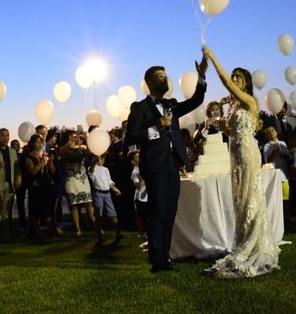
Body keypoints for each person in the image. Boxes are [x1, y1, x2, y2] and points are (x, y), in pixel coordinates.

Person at [126, 54, 208, 273]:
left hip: (173, 165)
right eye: (160, 75)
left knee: (170, 212)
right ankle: (158, 260)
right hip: (154, 166)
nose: (165, 78)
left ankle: (164, 256)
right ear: (150, 82)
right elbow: (130, 138)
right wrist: (156, 129)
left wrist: (201, 76)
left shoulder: (170, 104)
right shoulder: (140, 108)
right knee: (159, 211)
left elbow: (195, 101)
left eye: (165, 75)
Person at [203, 46, 280, 278]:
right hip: (234, 153)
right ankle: (244, 242)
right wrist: (219, 122)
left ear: (245, 82)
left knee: (250, 198)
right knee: (240, 200)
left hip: (247, 153)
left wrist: (213, 57)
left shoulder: (249, 100)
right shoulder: (235, 105)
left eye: (238, 77)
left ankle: (254, 245)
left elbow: (225, 81)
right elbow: (231, 130)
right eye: (233, 75)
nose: (234, 79)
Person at [59, 130, 95, 236]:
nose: (74, 137)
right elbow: (62, 152)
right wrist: (70, 142)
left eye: (75, 135)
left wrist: (86, 138)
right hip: (70, 178)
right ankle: (78, 228)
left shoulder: (82, 147)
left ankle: (94, 225)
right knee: (73, 204)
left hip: (82, 177)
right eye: (71, 135)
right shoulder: (63, 148)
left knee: (88, 202)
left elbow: (89, 151)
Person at [25, 134, 56, 241]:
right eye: (37, 142)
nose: (40, 144)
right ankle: (37, 233)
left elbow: (52, 171)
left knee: (48, 210)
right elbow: (32, 171)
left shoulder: (45, 155)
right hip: (35, 186)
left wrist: (50, 161)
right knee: (35, 211)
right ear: (32, 143)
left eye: (41, 142)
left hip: (46, 185)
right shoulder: (29, 157)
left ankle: (51, 232)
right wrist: (41, 162)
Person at [89, 153, 123, 243]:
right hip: (98, 194)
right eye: (100, 159)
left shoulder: (106, 169)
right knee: (98, 216)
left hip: (107, 193)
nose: (102, 160)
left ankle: (118, 233)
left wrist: (115, 189)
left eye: (103, 159)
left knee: (113, 213)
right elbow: (91, 170)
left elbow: (109, 182)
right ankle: (99, 237)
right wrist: (95, 161)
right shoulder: (92, 168)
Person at [129, 147, 148, 241]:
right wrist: (143, 175)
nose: (139, 158)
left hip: (148, 196)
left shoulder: (145, 167)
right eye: (137, 157)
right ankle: (141, 233)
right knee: (141, 217)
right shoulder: (134, 173)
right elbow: (139, 186)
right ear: (133, 161)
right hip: (140, 198)